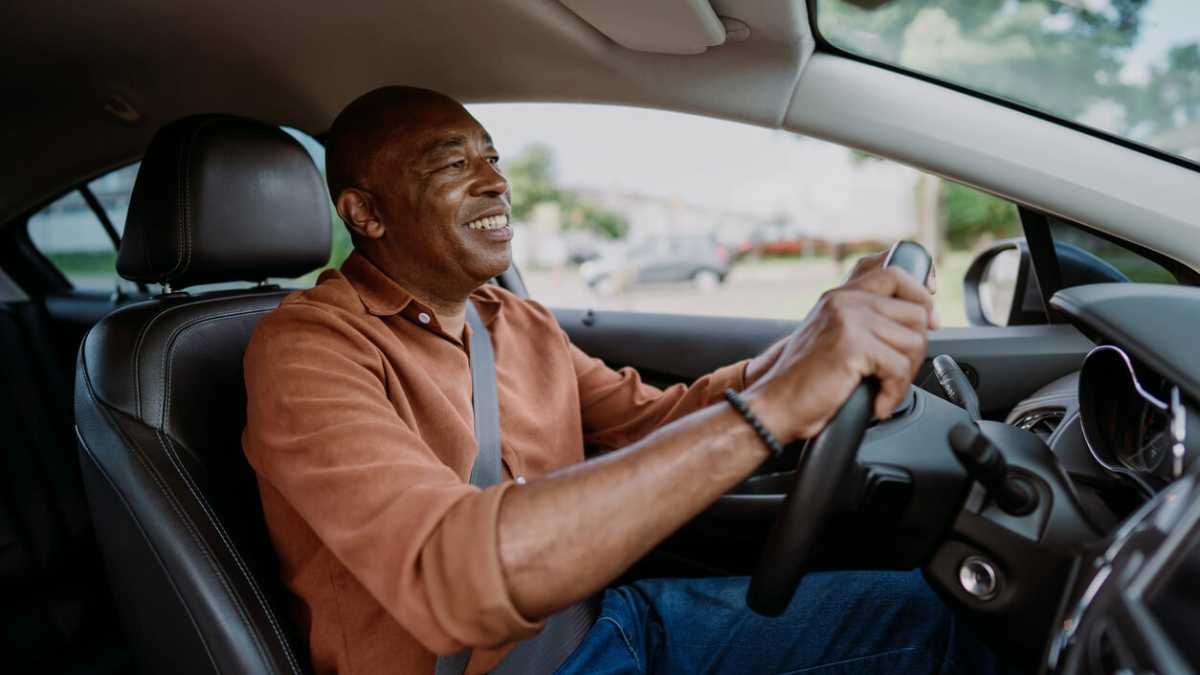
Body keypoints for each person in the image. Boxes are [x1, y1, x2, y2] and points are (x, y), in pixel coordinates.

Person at [242, 86, 1003, 675]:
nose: (495, 184)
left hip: (604, 619)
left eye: (492, 158)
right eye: (451, 164)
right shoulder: (308, 349)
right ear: (364, 213)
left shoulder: (513, 320)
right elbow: (450, 577)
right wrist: (772, 406)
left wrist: (809, 344)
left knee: (942, 612)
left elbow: (657, 419)